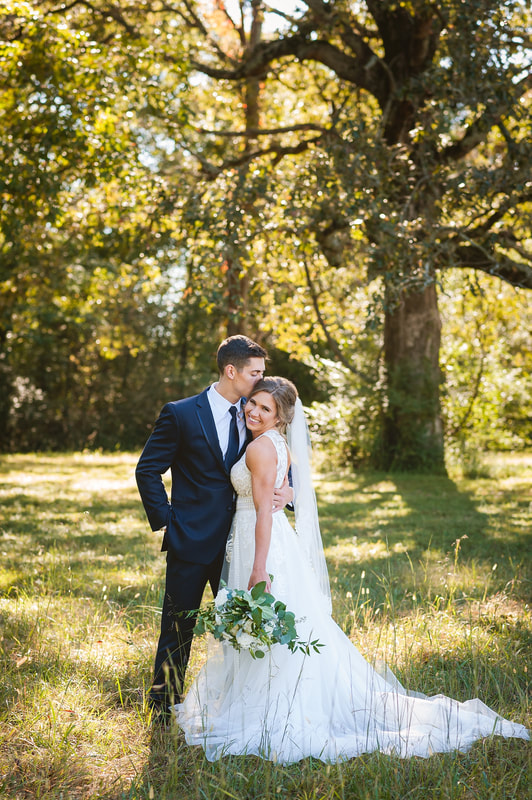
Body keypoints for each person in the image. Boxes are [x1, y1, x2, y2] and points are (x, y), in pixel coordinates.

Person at [173, 377, 529, 763]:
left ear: (281, 417)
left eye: (265, 408)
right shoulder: (277, 444)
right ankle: (268, 699)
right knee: (279, 626)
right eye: (252, 403)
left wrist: (258, 568)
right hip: (270, 538)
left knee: (269, 623)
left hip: (261, 542)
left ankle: (274, 709)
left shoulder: (260, 447)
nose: (253, 412)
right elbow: (274, 491)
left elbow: (261, 510)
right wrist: (286, 495)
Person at [135, 336, 293, 718]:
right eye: (256, 372)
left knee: (241, 626)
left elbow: (275, 457)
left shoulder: (254, 413)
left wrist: (287, 491)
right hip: (190, 538)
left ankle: (241, 706)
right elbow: (147, 470)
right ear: (231, 371)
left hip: (239, 541)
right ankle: (162, 706)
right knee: (177, 627)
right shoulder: (181, 413)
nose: (261, 379)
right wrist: (169, 523)